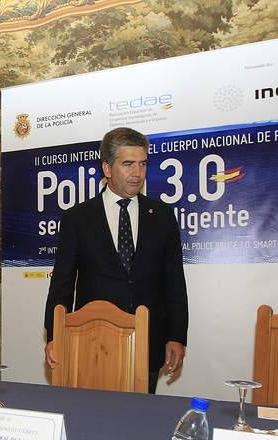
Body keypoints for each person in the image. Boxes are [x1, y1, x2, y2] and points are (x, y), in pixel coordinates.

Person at [44, 127, 188, 393]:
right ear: (107, 169)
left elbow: (174, 283)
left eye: (143, 164)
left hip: (148, 341)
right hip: (93, 340)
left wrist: (177, 336)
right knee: (94, 421)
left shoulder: (163, 216)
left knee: (138, 423)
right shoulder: (77, 219)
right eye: (128, 164)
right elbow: (62, 284)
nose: (137, 173)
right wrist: (55, 335)